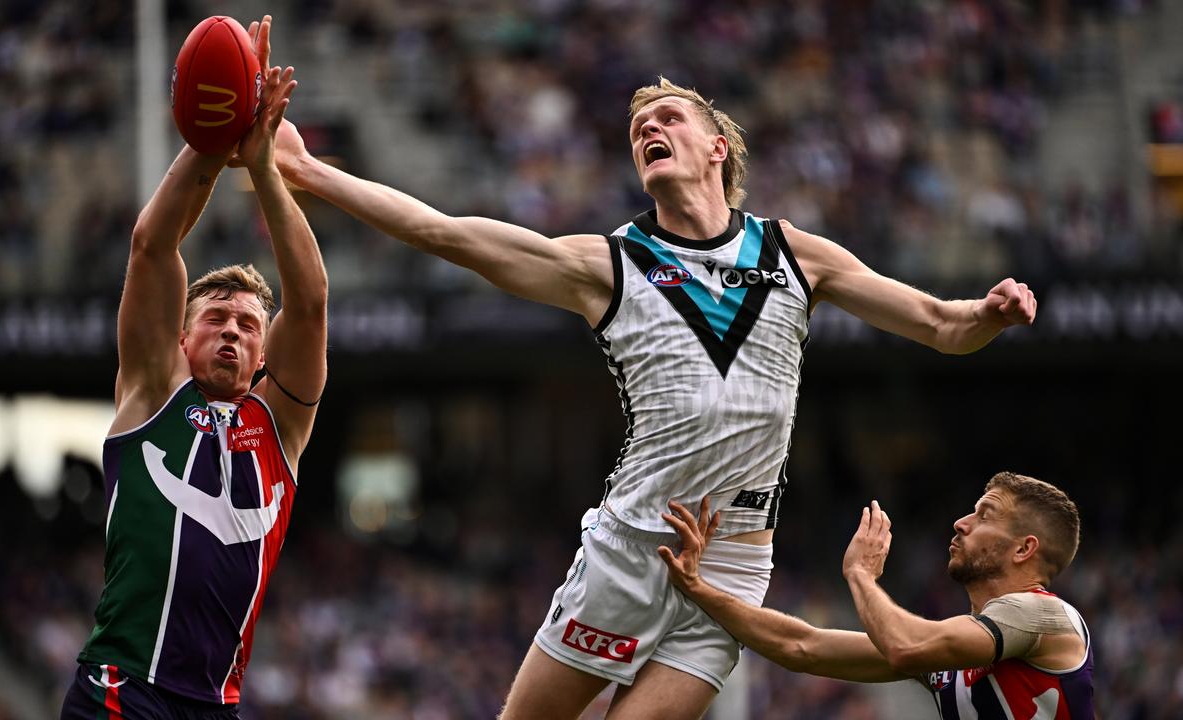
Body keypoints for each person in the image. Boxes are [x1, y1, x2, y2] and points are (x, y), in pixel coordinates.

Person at [271, 74, 1038, 719]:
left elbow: (941, 325)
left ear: (718, 148)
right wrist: (310, 174)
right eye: (638, 127)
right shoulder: (611, 263)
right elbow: (447, 235)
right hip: (633, 551)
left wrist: (987, 315)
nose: (648, 128)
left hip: (735, 564)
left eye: (668, 117)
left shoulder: (794, 253)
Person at [61, 18, 328, 720]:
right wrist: (214, 141)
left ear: (264, 354)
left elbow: (309, 302)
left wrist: (264, 164)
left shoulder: (281, 423)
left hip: (215, 705)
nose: (234, 333)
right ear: (182, 340)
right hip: (121, 689)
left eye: (246, 325)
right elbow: (153, 247)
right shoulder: (152, 390)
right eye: (216, 319)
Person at [658, 472, 1094, 718]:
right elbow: (802, 646)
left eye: (985, 514)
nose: (962, 522)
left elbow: (907, 646)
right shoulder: (955, 652)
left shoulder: (1045, 616)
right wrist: (698, 587)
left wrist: (861, 577)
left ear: (1024, 548)